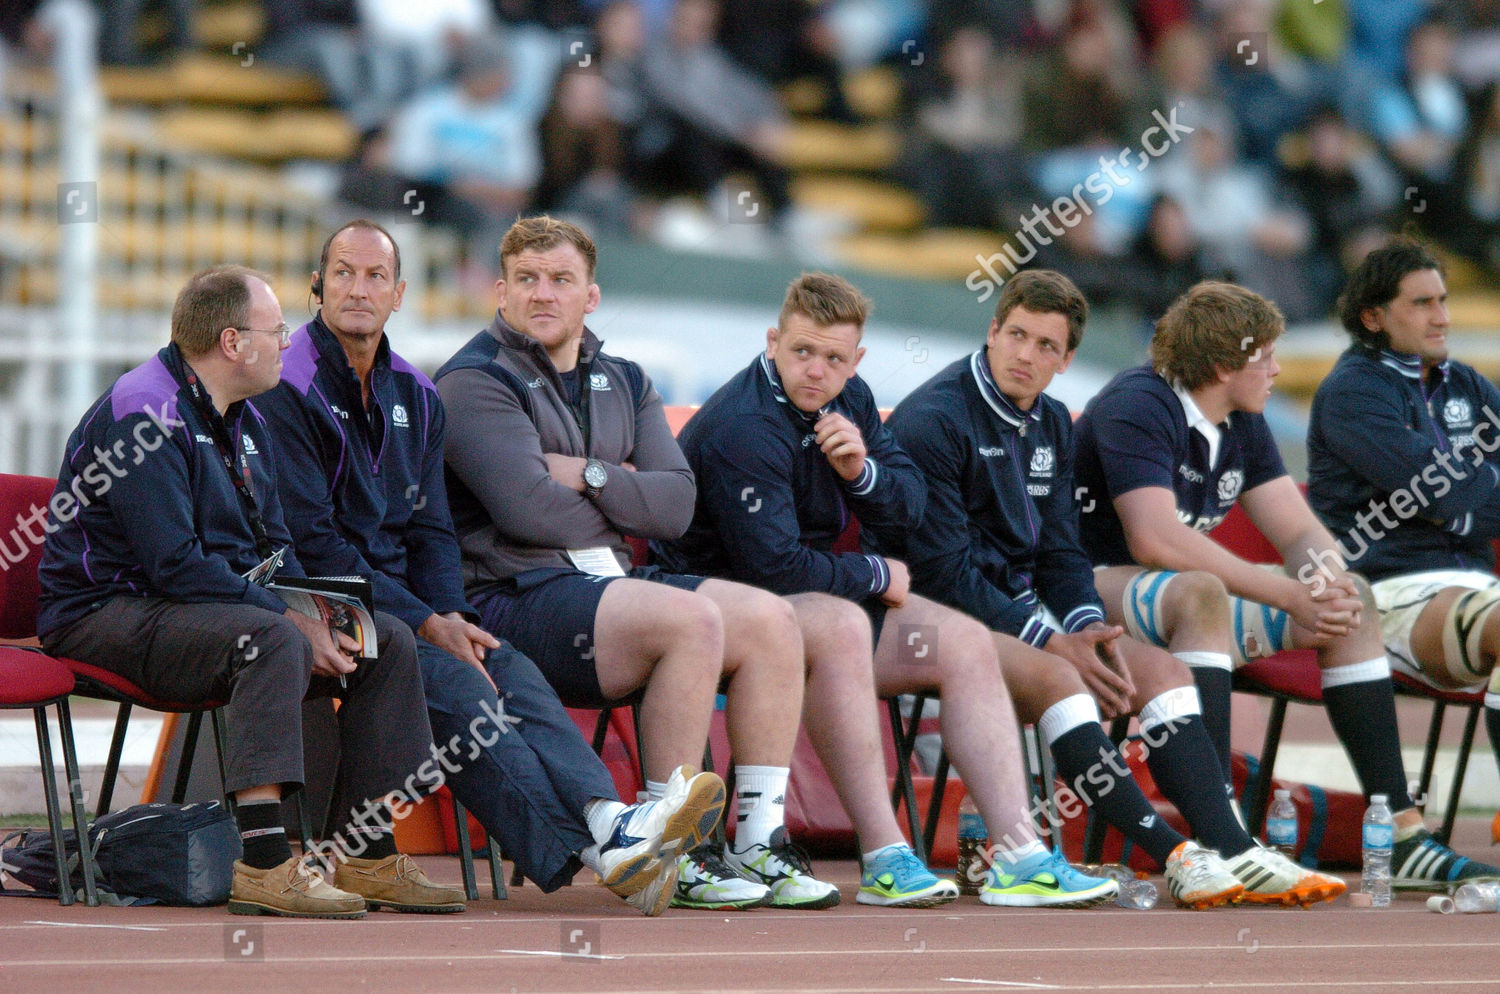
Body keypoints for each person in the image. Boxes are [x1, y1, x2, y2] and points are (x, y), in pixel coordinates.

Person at [255, 220, 725, 916]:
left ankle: (610, 827)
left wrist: (453, 615)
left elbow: (432, 528)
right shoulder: (287, 385)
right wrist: (427, 622)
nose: (360, 289)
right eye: (345, 274)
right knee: (453, 681)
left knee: (508, 668)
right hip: (315, 592)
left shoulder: (412, 390)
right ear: (318, 286)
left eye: (376, 276)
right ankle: (605, 847)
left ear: (399, 292)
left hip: (409, 604)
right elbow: (316, 546)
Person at [656, 270, 1119, 909]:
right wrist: (874, 574)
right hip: (715, 606)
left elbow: (910, 508)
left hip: (810, 601)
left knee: (964, 642)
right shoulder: (744, 425)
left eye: (835, 358)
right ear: (772, 342)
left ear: (857, 361)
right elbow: (776, 569)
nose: (817, 370)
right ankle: (884, 854)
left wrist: (862, 472)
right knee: (841, 624)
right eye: (801, 351)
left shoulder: (852, 398)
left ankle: (1019, 856)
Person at [885, 268, 1343, 907]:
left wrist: (1079, 626)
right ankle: (1177, 856)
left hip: (1021, 611)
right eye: (1016, 335)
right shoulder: (934, 419)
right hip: (928, 615)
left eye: (1047, 346)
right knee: (1063, 676)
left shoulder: (1049, 421)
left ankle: (1230, 847)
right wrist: (1052, 638)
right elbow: (945, 573)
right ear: (992, 332)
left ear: (1067, 360)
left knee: (1157, 673)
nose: (1027, 354)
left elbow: (1061, 552)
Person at [434, 215, 839, 911]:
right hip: (516, 595)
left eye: (561, 280)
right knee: (689, 618)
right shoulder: (473, 380)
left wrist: (588, 475)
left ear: (590, 296)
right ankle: (670, 853)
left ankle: (757, 843)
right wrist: (625, 490)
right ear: (500, 292)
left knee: (772, 620)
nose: (542, 294)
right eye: (526, 280)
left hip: (611, 587)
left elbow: (677, 506)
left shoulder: (625, 377)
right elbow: (528, 512)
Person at [35, 266, 459, 918]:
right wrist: (289, 620)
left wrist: (317, 612)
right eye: (276, 330)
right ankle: (263, 864)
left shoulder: (248, 416)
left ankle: (366, 851)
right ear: (232, 342)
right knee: (270, 637)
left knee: (386, 636)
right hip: (107, 612)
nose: (289, 343)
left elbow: (271, 550)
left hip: (193, 605)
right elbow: (174, 565)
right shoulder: (142, 414)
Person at [1073, 277, 1500, 891]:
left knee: (1351, 600)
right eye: (1265, 355)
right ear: (1223, 363)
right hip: (1087, 589)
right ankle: (1220, 828)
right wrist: (1283, 593)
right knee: (1201, 589)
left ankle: (1400, 832)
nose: (1277, 368)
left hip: (1170, 596)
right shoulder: (1140, 402)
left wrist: (1324, 582)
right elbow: (1155, 539)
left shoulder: (1240, 418)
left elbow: (1298, 530)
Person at [1308, 237, 1500, 875]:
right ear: (1374, 317)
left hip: (1473, 591)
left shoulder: (1468, 385)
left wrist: (1465, 503)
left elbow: (1453, 494)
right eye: (1421, 304)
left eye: (1443, 300)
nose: (1442, 316)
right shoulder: (1351, 392)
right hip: (1383, 597)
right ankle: (1406, 837)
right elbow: (1435, 486)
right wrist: (1463, 499)